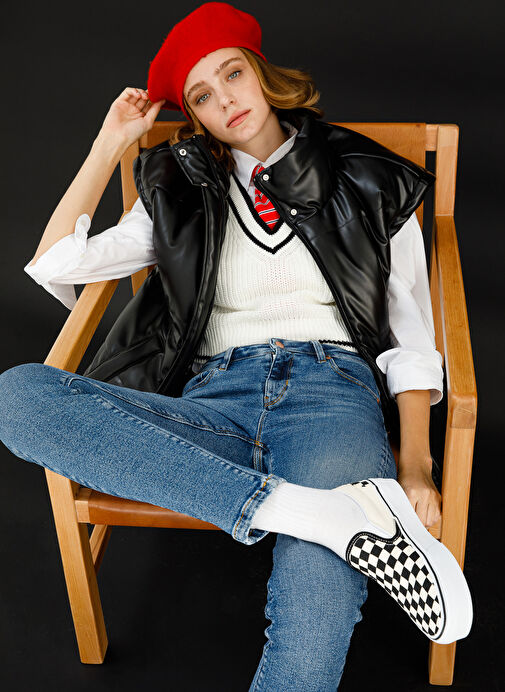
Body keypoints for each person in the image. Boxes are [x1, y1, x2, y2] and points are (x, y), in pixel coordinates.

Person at [0, 2, 472, 689]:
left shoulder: (369, 174)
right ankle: (319, 514)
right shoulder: (178, 189)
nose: (225, 100)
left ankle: (311, 513)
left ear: (261, 73)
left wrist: (416, 464)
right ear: (194, 117)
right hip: (212, 401)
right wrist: (109, 143)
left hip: (330, 399)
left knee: (315, 605)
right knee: (16, 396)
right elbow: (55, 265)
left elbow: (411, 331)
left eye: (232, 74)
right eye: (201, 96)